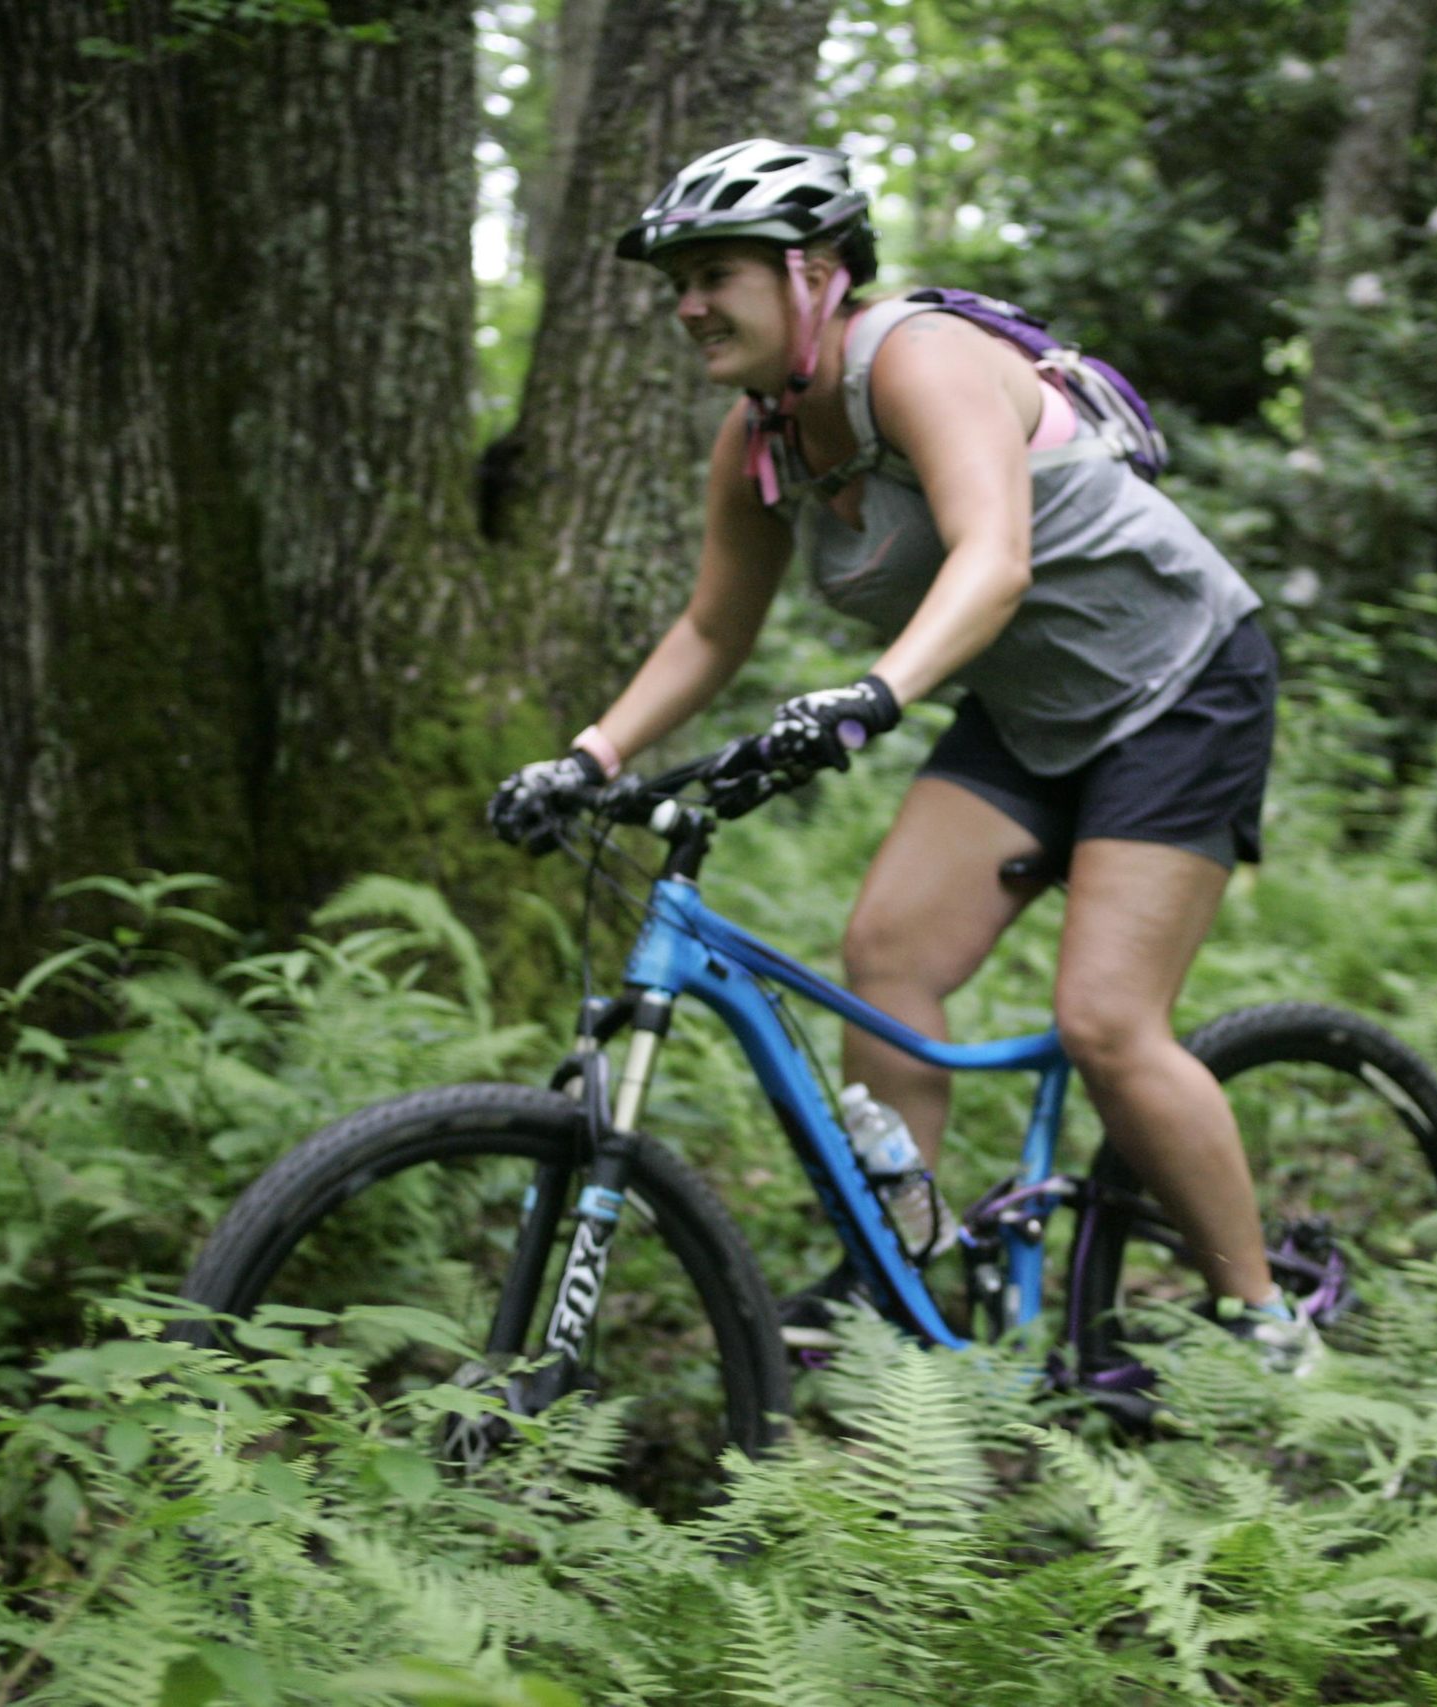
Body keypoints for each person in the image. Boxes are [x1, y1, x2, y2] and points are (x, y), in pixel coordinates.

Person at [490, 138, 1317, 1373]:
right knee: (886, 956)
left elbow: (995, 557)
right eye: (679, 281)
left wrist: (871, 697)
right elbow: (716, 627)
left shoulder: (920, 360)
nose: (688, 304)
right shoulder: (757, 441)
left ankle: (1266, 1323)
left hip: (1183, 684)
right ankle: (906, 1267)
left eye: (717, 272)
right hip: (1033, 713)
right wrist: (592, 756)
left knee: (1104, 1020)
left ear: (815, 274)